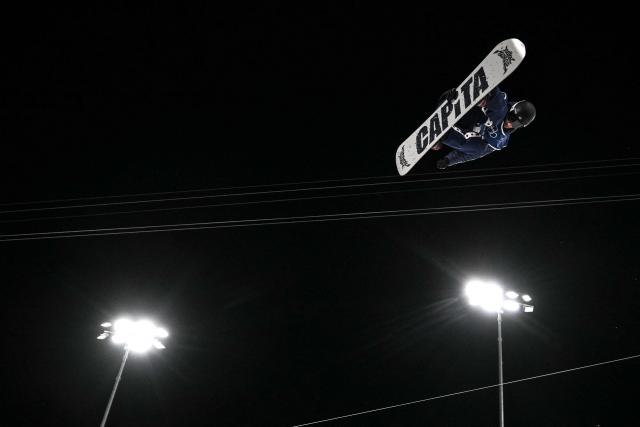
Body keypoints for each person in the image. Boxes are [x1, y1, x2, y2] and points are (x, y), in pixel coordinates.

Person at [432, 87, 536, 169]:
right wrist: (488, 94)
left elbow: (473, 154)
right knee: (499, 110)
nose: (510, 123)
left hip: (463, 131)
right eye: (512, 117)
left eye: (516, 124)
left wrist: (448, 160)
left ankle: (444, 136)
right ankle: (482, 96)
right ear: (512, 109)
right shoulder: (502, 107)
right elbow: (500, 100)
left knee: (479, 148)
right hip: (469, 113)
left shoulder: (500, 141)